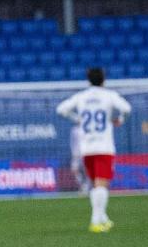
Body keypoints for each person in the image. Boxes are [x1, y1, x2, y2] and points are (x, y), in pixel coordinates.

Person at [55, 68, 133, 233]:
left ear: (88, 80)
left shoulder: (81, 96)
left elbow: (61, 109)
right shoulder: (109, 95)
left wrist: (78, 119)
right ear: (103, 79)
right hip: (104, 146)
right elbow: (127, 109)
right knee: (101, 184)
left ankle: (103, 218)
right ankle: (95, 221)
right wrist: (119, 119)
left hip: (86, 148)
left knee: (96, 184)